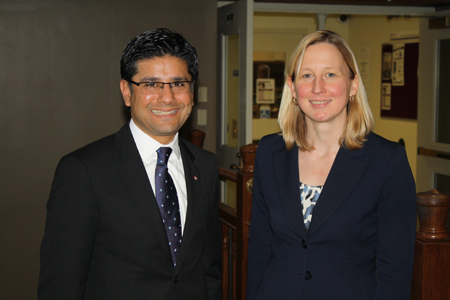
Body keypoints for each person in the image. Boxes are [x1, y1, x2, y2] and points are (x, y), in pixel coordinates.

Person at [38, 28, 221, 300]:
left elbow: (209, 271)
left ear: (191, 93)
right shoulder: (83, 171)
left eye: (178, 83)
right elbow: (62, 286)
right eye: (151, 84)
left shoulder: (205, 166)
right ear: (126, 92)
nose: (168, 97)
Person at [246, 30, 416, 300]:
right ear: (292, 88)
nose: (317, 88)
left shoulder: (386, 161)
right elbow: (259, 247)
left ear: (353, 85)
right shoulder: (270, 152)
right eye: (307, 75)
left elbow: (395, 269)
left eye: (330, 74)